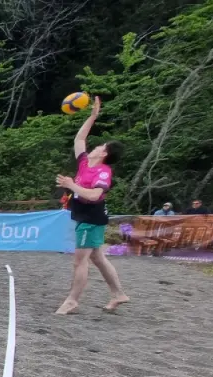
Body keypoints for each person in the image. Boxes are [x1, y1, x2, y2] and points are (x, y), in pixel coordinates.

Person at [54, 96, 130, 315]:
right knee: (97, 257)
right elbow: (79, 139)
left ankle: (72, 300)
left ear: (104, 153)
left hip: (91, 217)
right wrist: (93, 116)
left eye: (100, 146)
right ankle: (118, 294)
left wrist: (71, 185)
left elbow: (96, 195)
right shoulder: (86, 163)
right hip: (85, 215)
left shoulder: (103, 172)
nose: (95, 146)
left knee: (80, 261)